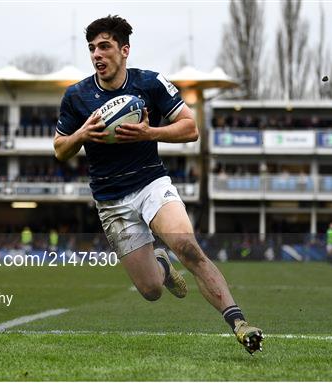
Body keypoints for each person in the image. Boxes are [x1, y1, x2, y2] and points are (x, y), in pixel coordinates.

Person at [53, 15, 263, 354]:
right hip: (111, 200)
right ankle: (161, 266)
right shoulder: (76, 97)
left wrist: (151, 133)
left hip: (151, 183)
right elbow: (60, 149)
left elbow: (190, 128)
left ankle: (239, 323)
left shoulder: (149, 83)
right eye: (92, 48)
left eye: (104, 47)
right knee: (150, 290)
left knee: (190, 249)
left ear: (124, 50)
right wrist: (81, 134)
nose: (97, 55)